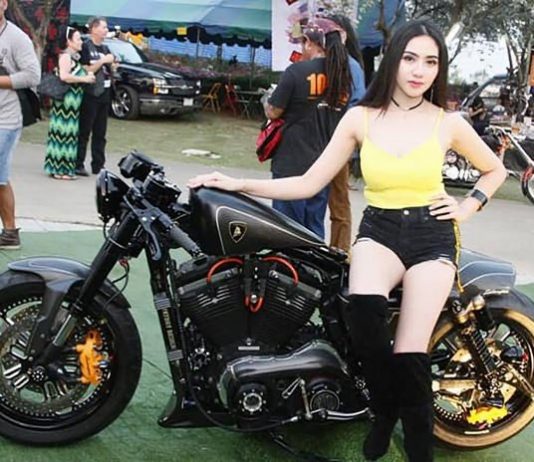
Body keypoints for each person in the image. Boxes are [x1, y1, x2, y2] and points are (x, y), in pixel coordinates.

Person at [188, 19, 507, 461]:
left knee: (410, 353)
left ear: (439, 69)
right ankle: (384, 409)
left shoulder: (448, 123)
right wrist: (237, 183)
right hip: (379, 230)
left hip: (432, 236)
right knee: (365, 318)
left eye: (430, 62)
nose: (419, 70)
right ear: (393, 60)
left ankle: (416, 449)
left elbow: (495, 170)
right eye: (410, 58)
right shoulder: (361, 117)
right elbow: (308, 181)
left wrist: (468, 205)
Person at [263, 18, 352, 239]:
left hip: (291, 161)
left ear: (309, 42)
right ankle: (314, 260)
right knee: (314, 226)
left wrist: (266, 100)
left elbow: (273, 111)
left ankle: (289, 261)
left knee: (287, 228)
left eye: (303, 42)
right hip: (323, 162)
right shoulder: (343, 77)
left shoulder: (296, 71)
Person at [0, 0, 40, 249]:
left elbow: (33, 75)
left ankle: (10, 232)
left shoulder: (16, 38)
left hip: (6, 118)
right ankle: (10, 232)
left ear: (4, 4)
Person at [326, 14, 365, 254]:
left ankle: (339, 254)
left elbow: (357, 105)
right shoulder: (319, 62)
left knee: (338, 204)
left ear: (343, 35)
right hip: (317, 141)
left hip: (337, 146)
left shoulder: (351, 67)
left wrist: (343, 137)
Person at [44, 26, 96, 180]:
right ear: (69, 41)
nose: (81, 42)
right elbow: (64, 76)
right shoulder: (66, 57)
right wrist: (84, 79)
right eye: (78, 39)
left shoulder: (73, 58)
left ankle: (61, 168)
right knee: (64, 133)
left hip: (73, 104)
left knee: (68, 133)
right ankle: (61, 169)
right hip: (66, 102)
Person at [75, 16, 115, 177]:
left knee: (100, 132)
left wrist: (112, 64)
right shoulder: (85, 46)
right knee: (84, 130)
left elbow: (111, 67)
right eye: (103, 27)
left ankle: (98, 165)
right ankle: (78, 163)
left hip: (105, 92)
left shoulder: (105, 48)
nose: (106, 30)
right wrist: (102, 61)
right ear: (94, 29)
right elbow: (86, 69)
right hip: (90, 93)